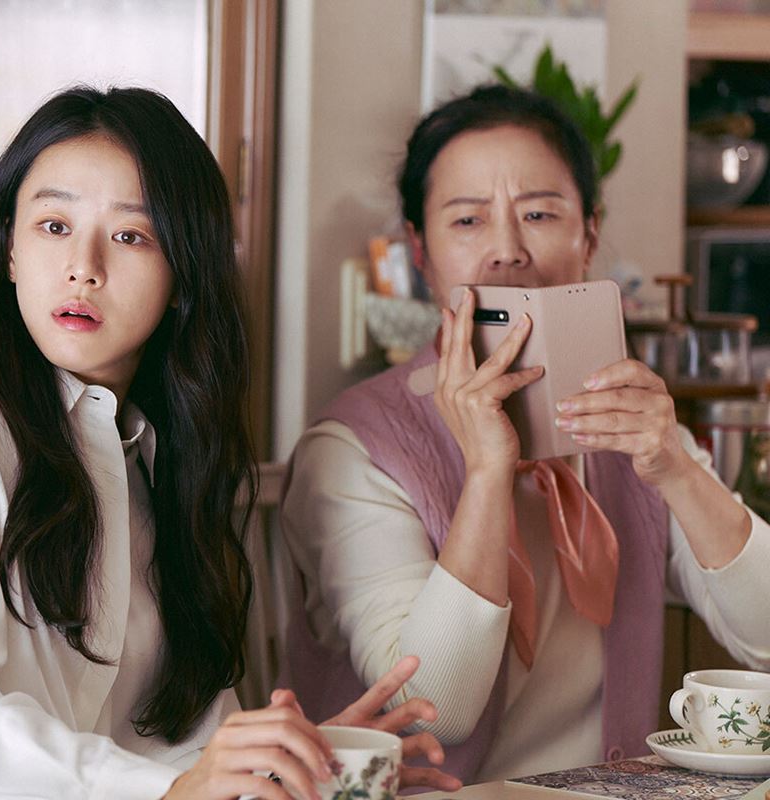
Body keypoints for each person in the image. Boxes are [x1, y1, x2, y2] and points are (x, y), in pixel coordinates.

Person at [0, 86, 461, 799]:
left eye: (131, 236)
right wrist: (178, 790)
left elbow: (176, 752)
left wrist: (290, 766)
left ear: (182, 278)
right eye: (53, 225)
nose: (84, 266)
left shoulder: (149, 462)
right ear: (10, 251)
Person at [280, 84, 770, 785]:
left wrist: (675, 467)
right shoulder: (355, 448)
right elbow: (430, 712)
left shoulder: (631, 423)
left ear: (589, 236)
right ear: (420, 250)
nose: (507, 251)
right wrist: (486, 473)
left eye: (539, 214)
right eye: (467, 220)